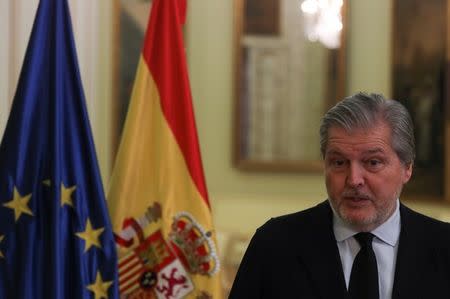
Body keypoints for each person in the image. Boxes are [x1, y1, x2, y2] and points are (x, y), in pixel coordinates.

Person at [229, 92, 450, 299]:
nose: (354, 180)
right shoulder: (274, 245)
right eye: (339, 162)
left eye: (372, 162)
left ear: (407, 168)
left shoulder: (443, 246)